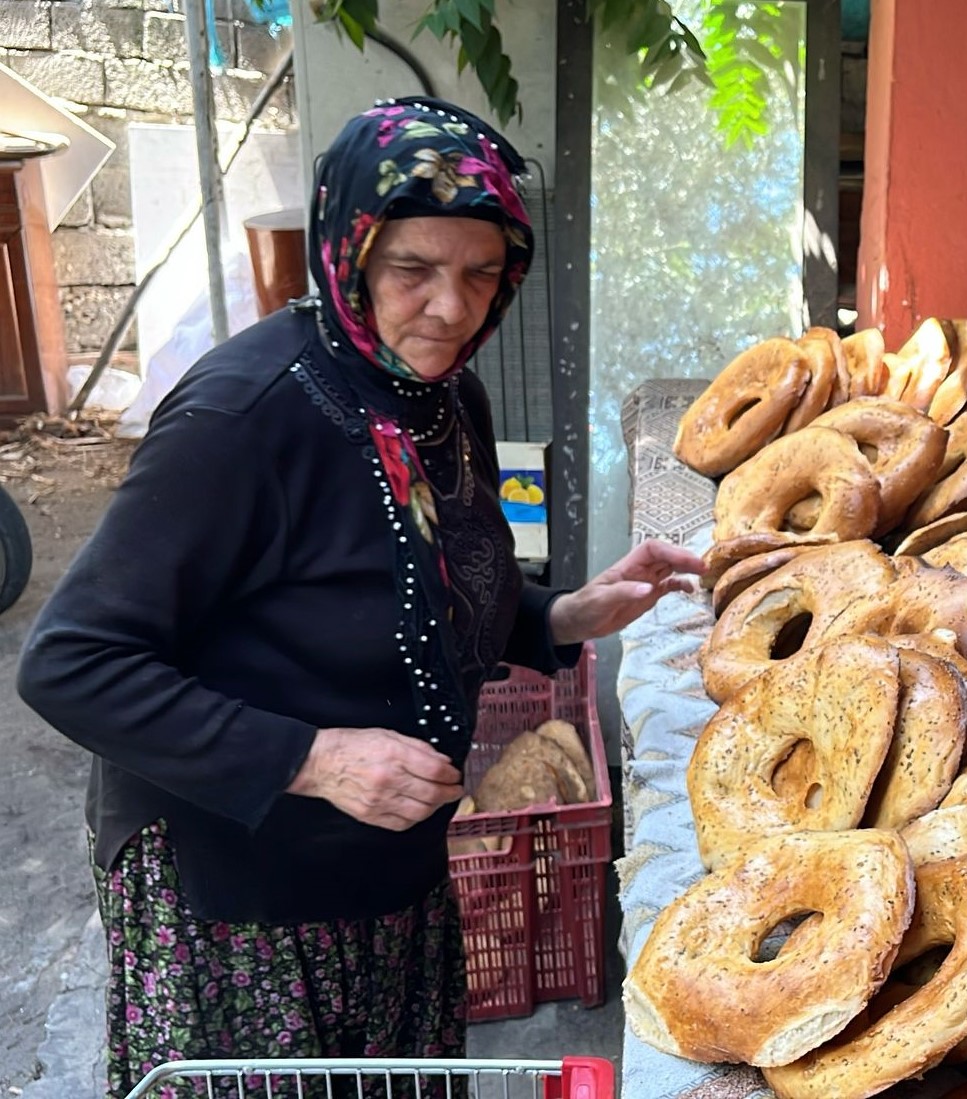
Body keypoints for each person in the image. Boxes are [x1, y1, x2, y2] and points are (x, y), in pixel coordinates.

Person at [16, 96, 704, 1094]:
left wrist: (560, 614)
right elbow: (71, 662)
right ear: (347, 250)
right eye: (412, 269)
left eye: (481, 273)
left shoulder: (441, 396)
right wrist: (314, 759)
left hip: (392, 864)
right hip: (246, 892)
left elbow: (423, 577)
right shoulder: (244, 419)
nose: (451, 308)